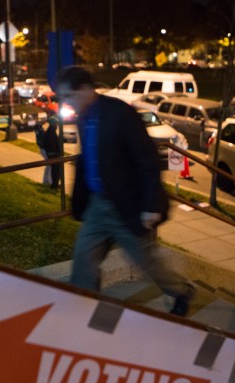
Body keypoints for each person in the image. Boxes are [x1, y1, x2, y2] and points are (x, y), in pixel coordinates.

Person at [55, 65, 195, 316]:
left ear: (86, 89)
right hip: (97, 206)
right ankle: (83, 310)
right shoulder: (83, 117)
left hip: (126, 205)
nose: (65, 103)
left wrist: (151, 204)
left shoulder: (119, 113)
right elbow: (89, 157)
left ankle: (182, 291)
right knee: (84, 262)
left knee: (147, 263)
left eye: (68, 96)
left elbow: (147, 158)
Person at [43, 117, 62, 189]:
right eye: (56, 123)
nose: (57, 125)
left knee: (55, 170)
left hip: (53, 154)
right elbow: (52, 144)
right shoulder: (51, 132)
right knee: (55, 170)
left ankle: (55, 184)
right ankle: (54, 185)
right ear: (53, 124)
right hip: (54, 155)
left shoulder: (51, 131)